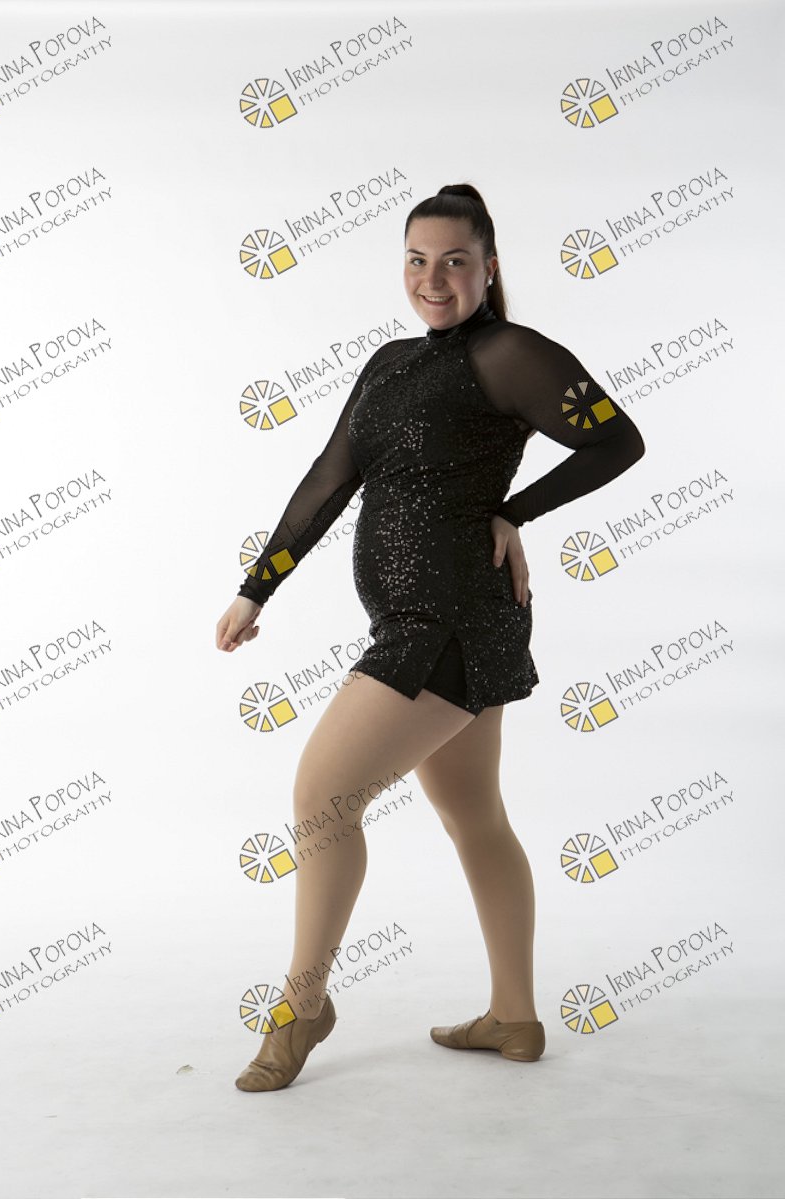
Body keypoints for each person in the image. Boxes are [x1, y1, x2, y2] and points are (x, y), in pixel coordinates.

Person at [216, 183, 645, 1092]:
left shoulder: (508, 353)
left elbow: (617, 441)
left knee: (323, 798)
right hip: (428, 618)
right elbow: (330, 476)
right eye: (417, 261)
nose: (434, 279)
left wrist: (515, 510)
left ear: (490, 267)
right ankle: (515, 1016)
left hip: (448, 619)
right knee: (474, 813)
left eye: (455, 261)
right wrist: (259, 585)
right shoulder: (390, 362)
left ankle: (302, 1005)